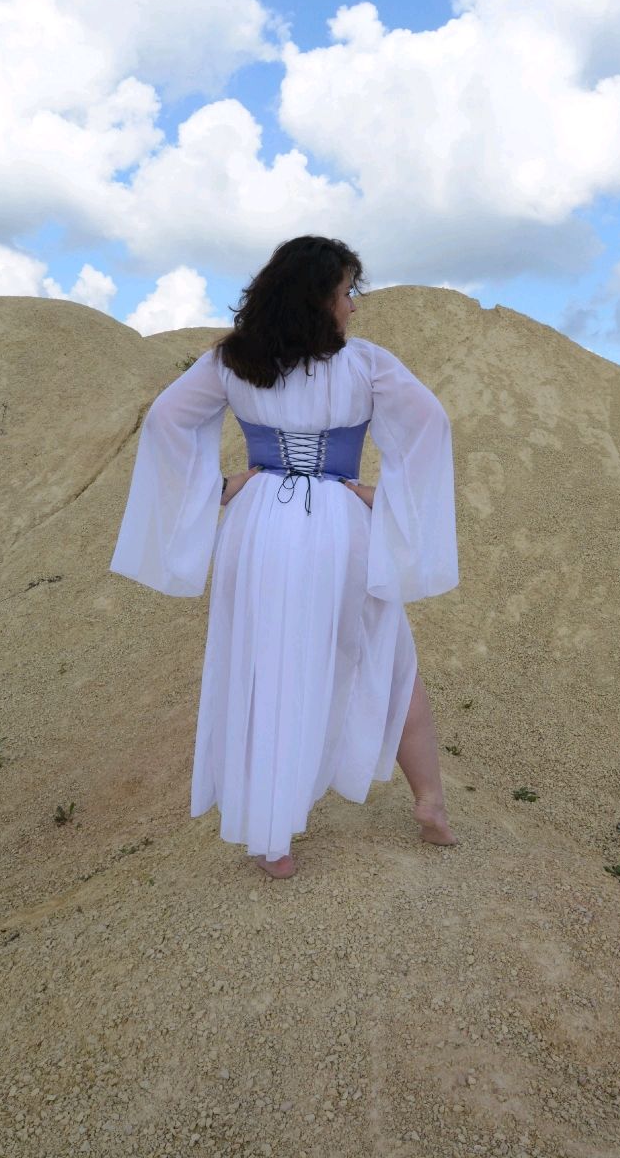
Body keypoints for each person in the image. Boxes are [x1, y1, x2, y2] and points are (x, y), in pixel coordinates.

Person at [109, 235, 460, 878]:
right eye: (347, 292)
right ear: (320, 298)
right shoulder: (367, 365)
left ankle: (273, 843)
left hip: (258, 525)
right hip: (338, 522)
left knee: (263, 665)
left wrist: (215, 490)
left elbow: (164, 421)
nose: (352, 305)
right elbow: (431, 425)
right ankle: (430, 802)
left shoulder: (232, 362)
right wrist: (388, 501)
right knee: (387, 655)